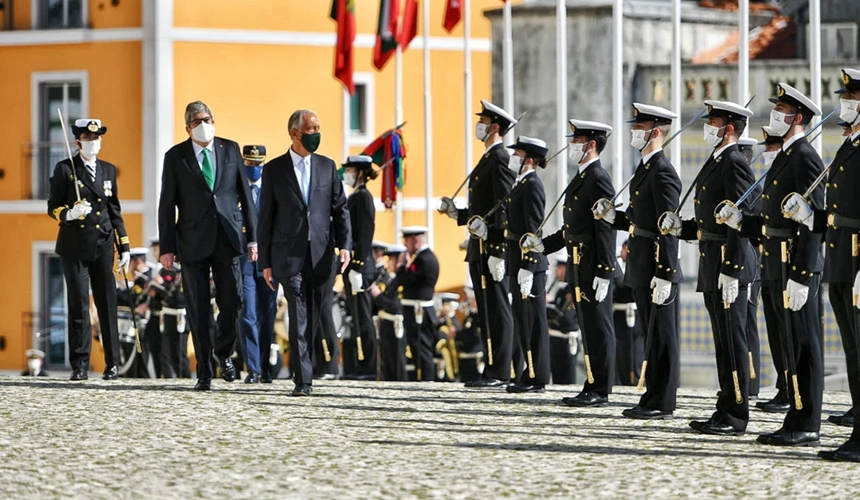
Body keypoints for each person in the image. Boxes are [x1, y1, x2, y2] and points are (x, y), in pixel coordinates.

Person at [718, 82, 825, 446]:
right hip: (776, 261)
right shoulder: (786, 157)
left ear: (798, 117)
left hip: (794, 263)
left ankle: (807, 421)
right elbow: (771, 222)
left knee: (804, 344)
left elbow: (813, 222)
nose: (775, 114)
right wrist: (741, 222)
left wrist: (802, 274)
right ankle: (796, 414)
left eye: (782, 110)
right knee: (788, 342)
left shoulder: (805, 158)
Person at [661, 100, 756, 436]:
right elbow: (711, 222)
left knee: (733, 341)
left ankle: (737, 414)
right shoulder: (717, 160)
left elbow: (741, 221)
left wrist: (732, 269)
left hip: (728, 264)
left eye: (713, 122)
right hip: (712, 260)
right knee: (722, 341)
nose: (708, 127)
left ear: (728, 128)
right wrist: (682, 228)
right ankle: (725, 406)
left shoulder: (734, 163)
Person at [783, 68, 860, 460]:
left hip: (857, 259)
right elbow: (838, 214)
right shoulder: (849, 147)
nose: (844, 103)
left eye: (852, 98)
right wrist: (810, 216)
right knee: (853, 349)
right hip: (841, 258)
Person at [158, 101, 256, 390]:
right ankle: (204, 369)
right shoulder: (175, 156)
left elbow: (245, 195)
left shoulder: (230, 149)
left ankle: (224, 353)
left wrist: (253, 238)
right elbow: (167, 204)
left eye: (208, 119)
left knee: (233, 301)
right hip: (192, 241)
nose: (204, 125)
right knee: (198, 307)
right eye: (197, 121)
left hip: (228, 238)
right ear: (188, 127)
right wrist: (167, 247)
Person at [593, 103, 681, 420]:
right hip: (642, 261)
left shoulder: (663, 172)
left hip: (657, 264)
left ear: (655, 132)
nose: (633, 132)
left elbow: (668, 226)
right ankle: (652, 394)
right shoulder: (644, 169)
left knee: (663, 334)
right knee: (650, 332)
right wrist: (612, 217)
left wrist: (666, 272)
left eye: (639, 127)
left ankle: (664, 400)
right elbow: (636, 219)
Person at [258, 109, 351, 396]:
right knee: (297, 313)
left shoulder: (327, 166)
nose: (316, 134)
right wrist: (266, 262)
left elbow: (340, 209)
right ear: (294, 133)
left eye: (318, 128)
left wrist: (346, 246)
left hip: (322, 256)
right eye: (311, 129)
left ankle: (305, 367)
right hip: (289, 256)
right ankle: (303, 379)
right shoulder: (274, 170)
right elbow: (265, 218)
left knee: (314, 315)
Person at [526, 120, 617, 405]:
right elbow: (571, 230)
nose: (572, 145)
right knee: (587, 326)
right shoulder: (581, 176)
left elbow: (605, 228)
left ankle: (600, 388)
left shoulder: (598, 178)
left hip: (592, 264)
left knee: (598, 327)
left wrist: (605, 270)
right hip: (578, 263)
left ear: (591, 145)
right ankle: (591, 383)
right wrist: (544, 245)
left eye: (577, 141)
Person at [439, 100, 518, 388]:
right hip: (478, 246)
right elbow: (482, 209)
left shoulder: (500, 158)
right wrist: (457, 214)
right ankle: (491, 366)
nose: (479, 125)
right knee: (486, 309)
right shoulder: (488, 158)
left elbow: (505, 207)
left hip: (490, 248)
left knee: (497, 308)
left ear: (495, 127)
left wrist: (497, 247)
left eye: (483, 121)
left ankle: (501, 370)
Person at [47, 118, 131, 381]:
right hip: (75, 246)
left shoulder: (109, 170)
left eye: (96, 138)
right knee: (79, 305)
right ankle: (80, 364)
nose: (93, 142)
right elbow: (52, 206)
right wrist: (69, 214)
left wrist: (124, 245)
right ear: (77, 142)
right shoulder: (65, 169)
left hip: (103, 244)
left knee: (107, 303)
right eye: (87, 138)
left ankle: (112, 363)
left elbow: (114, 210)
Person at [492, 136, 550, 393]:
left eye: (517, 154)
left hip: (529, 265)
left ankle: (536, 376)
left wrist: (528, 265)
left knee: (533, 322)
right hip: (517, 260)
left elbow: (533, 230)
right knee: (523, 320)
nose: (513, 157)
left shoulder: (533, 185)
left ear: (529, 159)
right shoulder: (521, 184)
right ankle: (529, 372)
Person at [237, 145, 278, 384]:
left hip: (268, 261)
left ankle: (265, 367)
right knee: (248, 314)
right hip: (244, 261)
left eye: (258, 164)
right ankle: (252, 368)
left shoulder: (271, 190)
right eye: (250, 164)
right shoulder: (236, 191)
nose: (254, 168)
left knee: (268, 315)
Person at [341, 155, 379, 380]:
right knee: (356, 316)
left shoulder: (363, 197)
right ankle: (360, 364)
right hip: (354, 265)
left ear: (361, 173)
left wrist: (358, 265)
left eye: (351, 170)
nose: (347, 174)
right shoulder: (355, 196)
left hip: (360, 266)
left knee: (363, 317)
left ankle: (368, 367)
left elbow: (365, 234)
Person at [387, 227, 439, 381]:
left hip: (419, 313)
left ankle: (426, 381)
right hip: (416, 311)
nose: (405, 245)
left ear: (415, 240)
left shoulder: (424, 259)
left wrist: (401, 266)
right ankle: (422, 380)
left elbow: (404, 279)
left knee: (422, 349)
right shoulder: (421, 257)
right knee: (417, 348)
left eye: (407, 241)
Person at [736, 136, 762, 399]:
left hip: (750, 260)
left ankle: (752, 381)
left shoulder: (751, 184)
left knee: (748, 321)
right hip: (741, 258)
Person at [370, 244, 407, 381]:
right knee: (387, 361)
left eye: (391, 259)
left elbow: (394, 304)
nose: (388, 263)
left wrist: (378, 295)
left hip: (396, 325)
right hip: (387, 324)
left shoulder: (400, 279)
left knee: (396, 362)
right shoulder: (393, 279)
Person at [613, 240, 643, 386]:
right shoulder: (620, 266)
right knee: (622, 350)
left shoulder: (637, 267)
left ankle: (637, 378)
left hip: (635, 314)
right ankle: (623, 379)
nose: (622, 253)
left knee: (637, 349)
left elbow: (626, 287)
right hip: (620, 314)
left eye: (624, 250)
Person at [546, 255, 578, 385]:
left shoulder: (573, 291)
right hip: (555, 341)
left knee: (567, 380)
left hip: (566, 342)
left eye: (560, 268)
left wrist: (549, 308)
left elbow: (568, 318)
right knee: (556, 378)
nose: (557, 271)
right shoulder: (562, 290)